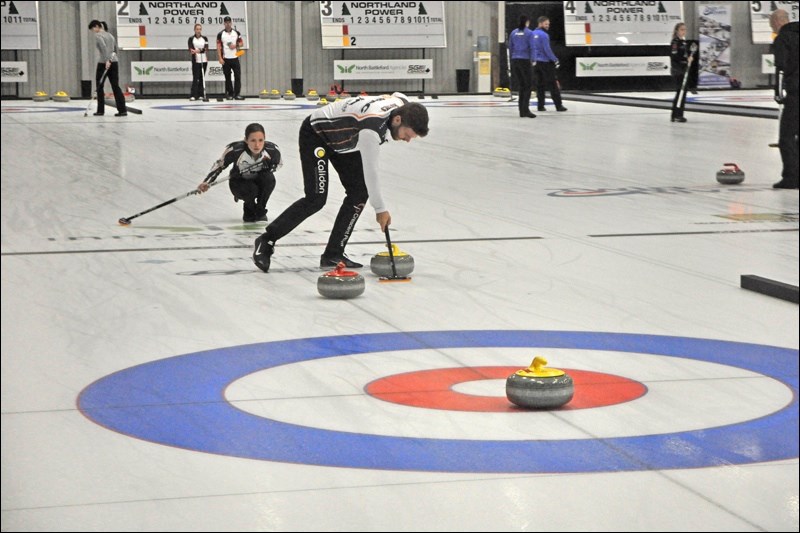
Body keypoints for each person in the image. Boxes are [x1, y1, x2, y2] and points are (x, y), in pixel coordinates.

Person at [252, 93, 429, 273]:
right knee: (316, 198)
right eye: (407, 134)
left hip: (345, 138)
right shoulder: (371, 130)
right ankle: (267, 240)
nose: (407, 140)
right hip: (317, 134)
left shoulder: (402, 104)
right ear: (397, 119)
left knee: (358, 193)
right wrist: (380, 209)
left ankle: (333, 254)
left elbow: (398, 95)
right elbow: (371, 172)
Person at [197, 123, 281, 223]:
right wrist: (207, 182)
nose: (257, 145)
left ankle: (260, 211)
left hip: (259, 179)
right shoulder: (236, 150)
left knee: (269, 179)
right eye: (253, 140)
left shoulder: (272, 150)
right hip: (239, 182)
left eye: (260, 140)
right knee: (251, 190)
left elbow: (279, 164)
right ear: (246, 140)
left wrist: (270, 167)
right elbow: (219, 165)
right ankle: (249, 210)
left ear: (265, 139)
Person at [769, 9, 799, 189]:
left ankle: (791, 177)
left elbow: (781, 67)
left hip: (796, 93)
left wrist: (778, 93)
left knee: (786, 136)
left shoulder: (783, 38)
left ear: (778, 22)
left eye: (771, 24)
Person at [88, 20, 127, 117]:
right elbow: (115, 49)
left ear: (96, 26)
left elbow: (103, 48)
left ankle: (100, 110)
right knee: (115, 86)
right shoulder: (110, 35)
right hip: (114, 62)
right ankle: (122, 110)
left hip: (103, 63)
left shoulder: (99, 36)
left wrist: (107, 61)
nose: (93, 31)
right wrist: (111, 60)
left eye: (93, 29)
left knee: (99, 86)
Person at [532, 16, 567, 112]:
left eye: (548, 24)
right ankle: (559, 106)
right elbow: (547, 49)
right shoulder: (544, 35)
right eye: (546, 24)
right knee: (553, 85)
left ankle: (540, 106)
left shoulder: (532, 34)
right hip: (545, 63)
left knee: (540, 85)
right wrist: (555, 59)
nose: (548, 26)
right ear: (540, 23)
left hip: (536, 63)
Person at [508, 15, 537, 118]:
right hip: (525, 61)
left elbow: (510, 47)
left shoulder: (513, 33)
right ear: (527, 22)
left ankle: (521, 110)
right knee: (528, 86)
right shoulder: (529, 33)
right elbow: (533, 47)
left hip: (515, 60)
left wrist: (512, 58)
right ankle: (526, 110)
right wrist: (533, 60)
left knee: (521, 86)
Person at [670, 22, 694, 123]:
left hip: (684, 70)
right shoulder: (675, 42)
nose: (684, 31)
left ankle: (679, 114)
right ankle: (676, 114)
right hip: (678, 70)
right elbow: (674, 56)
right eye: (682, 29)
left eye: (685, 29)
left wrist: (689, 57)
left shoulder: (683, 42)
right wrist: (685, 59)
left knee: (683, 93)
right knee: (680, 92)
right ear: (677, 31)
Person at [216, 16, 244, 100]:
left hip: (235, 58)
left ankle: (237, 94)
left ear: (231, 23)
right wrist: (220, 58)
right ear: (224, 23)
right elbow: (218, 46)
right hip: (226, 59)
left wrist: (235, 45)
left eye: (229, 22)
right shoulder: (220, 34)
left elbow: (242, 43)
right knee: (227, 77)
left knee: (237, 76)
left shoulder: (236, 33)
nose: (228, 24)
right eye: (226, 22)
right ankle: (230, 94)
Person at [188, 23, 209, 102]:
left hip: (204, 60)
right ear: (194, 30)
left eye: (200, 29)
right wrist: (195, 51)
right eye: (197, 29)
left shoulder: (205, 38)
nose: (198, 31)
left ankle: (201, 94)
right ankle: (193, 95)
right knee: (195, 77)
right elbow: (191, 49)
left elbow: (206, 48)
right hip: (196, 60)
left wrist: (199, 50)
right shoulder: (191, 39)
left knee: (202, 77)